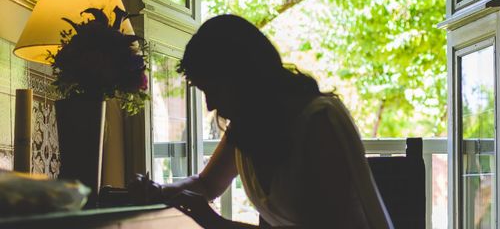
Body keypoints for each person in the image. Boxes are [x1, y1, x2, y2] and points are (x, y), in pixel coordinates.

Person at [128, 14, 393, 229]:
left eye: (214, 89)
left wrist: (217, 225)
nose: (209, 105)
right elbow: (207, 185)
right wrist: (159, 191)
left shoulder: (318, 123)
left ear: (243, 77)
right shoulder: (248, 126)